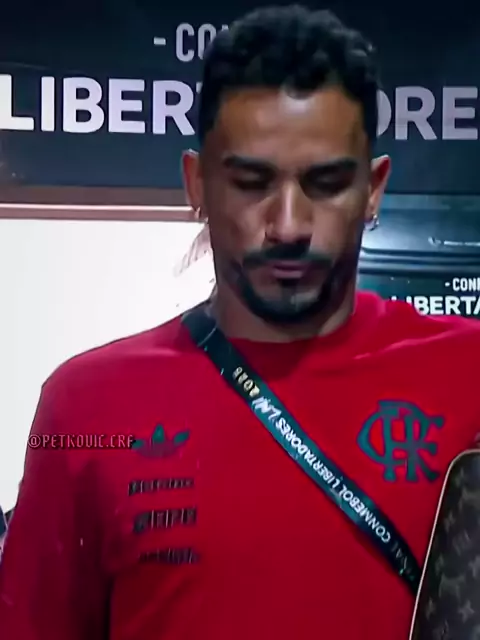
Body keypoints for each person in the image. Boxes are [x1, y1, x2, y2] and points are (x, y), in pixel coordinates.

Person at [0, 5, 479, 640]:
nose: (288, 225)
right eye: (251, 183)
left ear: (373, 188)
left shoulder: (468, 373)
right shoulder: (84, 408)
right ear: (196, 183)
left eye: (327, 184)